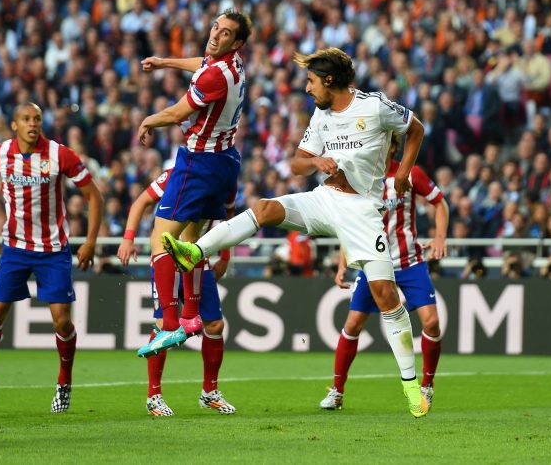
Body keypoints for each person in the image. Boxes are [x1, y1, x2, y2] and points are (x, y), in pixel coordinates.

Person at [161, 47, 431, 417]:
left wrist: (402, 173)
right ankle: (195, 251)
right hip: (324, 199)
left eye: (311, 81)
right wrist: (315, 161)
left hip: (363, 211)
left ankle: (410, 384)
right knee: (265, 208)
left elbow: (415, 128)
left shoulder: (374, 106)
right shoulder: (321, 116)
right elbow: (296, 162)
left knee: (386, 295)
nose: (307, 89)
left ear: (330, 81)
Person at [0, 103, 103, 413]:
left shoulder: (59, 154)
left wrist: (91, 242)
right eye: (26, 119)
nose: (33, 124)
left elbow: (95, 196)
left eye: (37, 119)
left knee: (62, 320)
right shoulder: (0, 154)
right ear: (14, 125)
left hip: (53, 250)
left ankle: (64, 383)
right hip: (15, 248)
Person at [134, 9, 252, 357]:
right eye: (216, 27)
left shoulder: (215, 76)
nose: (216, 34)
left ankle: (169, 324)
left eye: (226, 32)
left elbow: (176, 114)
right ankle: (189, 316)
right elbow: (201, 64)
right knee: (189, 241)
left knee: (160, 239)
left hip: (198, 163)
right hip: (225, 160)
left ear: (238, 42)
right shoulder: (232, 65)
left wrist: (147, 121)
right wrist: (164, 62)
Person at [320, 133, 447, 411]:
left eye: (383, 142)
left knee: (432, 323)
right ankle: (337, 391)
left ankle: (427, 385)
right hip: (373, 262)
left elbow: (440, 202)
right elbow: (350, 225)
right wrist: (344, 264)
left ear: (392, 146)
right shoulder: (361, 178)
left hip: (410, 261)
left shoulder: (410, 173)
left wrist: (440, 238)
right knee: (353, 325)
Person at [117, 168, 236, 416]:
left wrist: (225, 255)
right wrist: (128, 237)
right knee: (164, 326)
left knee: (214, 325)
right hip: (167, 262)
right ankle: (153, 396)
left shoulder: (224, 178)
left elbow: (228, 219)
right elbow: (141, 201)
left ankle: (209, 392)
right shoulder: (176, 174)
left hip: (197, 262)